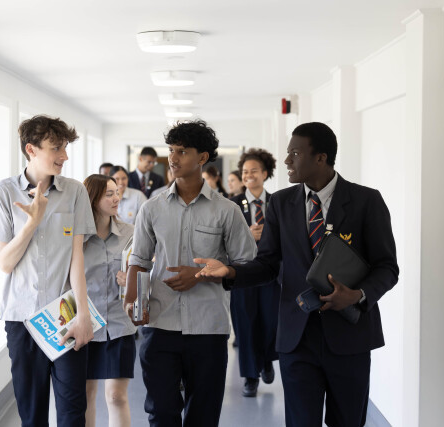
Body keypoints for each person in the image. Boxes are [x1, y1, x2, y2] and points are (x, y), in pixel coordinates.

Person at [195, 122, 399, 427]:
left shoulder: (366, 201)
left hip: (350, 337)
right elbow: (267, 264)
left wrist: (357, 295)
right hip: (297, 336)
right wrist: (230, 271)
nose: (287, 160)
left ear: (321, 157)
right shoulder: (281, 203)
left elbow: (387, 267)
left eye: (295, 153)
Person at [123, 120, 257, 427]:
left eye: (182, 151)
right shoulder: (152, 208)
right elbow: (139, 260)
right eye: (171, 150)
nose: (173, 158)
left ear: (202, 158)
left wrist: (200, 274)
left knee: (203, 416)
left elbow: (247, 264)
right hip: (160, 324)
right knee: (161, 412)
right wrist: (131, 300)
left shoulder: (227, 210)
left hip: (208, 328)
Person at [0, 115, 96, 427]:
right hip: (22, 318)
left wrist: (83, 314)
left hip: (65, 315)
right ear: (31, 149)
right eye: (56, 148)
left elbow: (76, 259)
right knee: (32, 415)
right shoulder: (4, 193)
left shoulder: (75, 192)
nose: (64, 156)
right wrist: (32, 222)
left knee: (73, 412)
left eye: (65, 148)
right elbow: (5, 263)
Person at [82, 174, 137, 427]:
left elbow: (147, 275)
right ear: (92, 199)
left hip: (119, 324)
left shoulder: (130, 234)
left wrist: (132, 281)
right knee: (85, 395)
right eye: (109, 194)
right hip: (85, 326)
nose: (117, 198)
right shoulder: (77, 237)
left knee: (116, 396)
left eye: (117, 193)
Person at [230, 148, 280, 397]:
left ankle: (267, 359)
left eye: (254, 171)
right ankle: (250, 376)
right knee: (246, 324)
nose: (249, 175)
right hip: (243, 273)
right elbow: (225, 239)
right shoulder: (232, 204)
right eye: (245, 172)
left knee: (271, 322)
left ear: (265, 174)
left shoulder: (278, 202)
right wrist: (246, 235)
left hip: (271, 273)